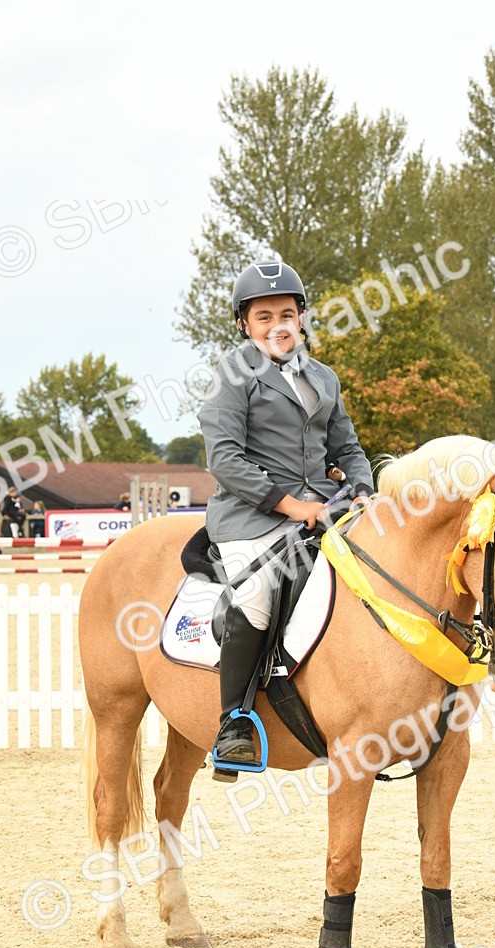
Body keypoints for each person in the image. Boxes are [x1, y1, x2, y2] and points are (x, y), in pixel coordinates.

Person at [198, 260, 374, 767]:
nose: (277, 326)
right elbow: (224, 459)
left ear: (302, 318)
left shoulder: (323, 377)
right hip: (252, 516)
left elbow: (348, 448)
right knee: (257, 592)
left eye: (286, 315)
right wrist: (293, 506)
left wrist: (363, 488)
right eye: (264, 317)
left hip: (325, 509)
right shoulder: (232, 376)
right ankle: (233, 722)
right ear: (244, 325)